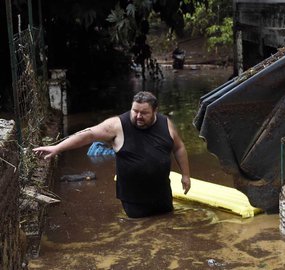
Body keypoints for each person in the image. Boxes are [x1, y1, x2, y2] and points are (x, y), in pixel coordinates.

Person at [33, 91, 191, 218]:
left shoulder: (166, 123)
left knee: (168, 225)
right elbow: (88, 135)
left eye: (144, 113)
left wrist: (186, 175)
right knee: (137, 232)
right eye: (134, 111)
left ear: (155, 111)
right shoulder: (117, 125)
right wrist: (57, 148)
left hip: (162, 193)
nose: (138, 116)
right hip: (134, 199)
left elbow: (179, 147)